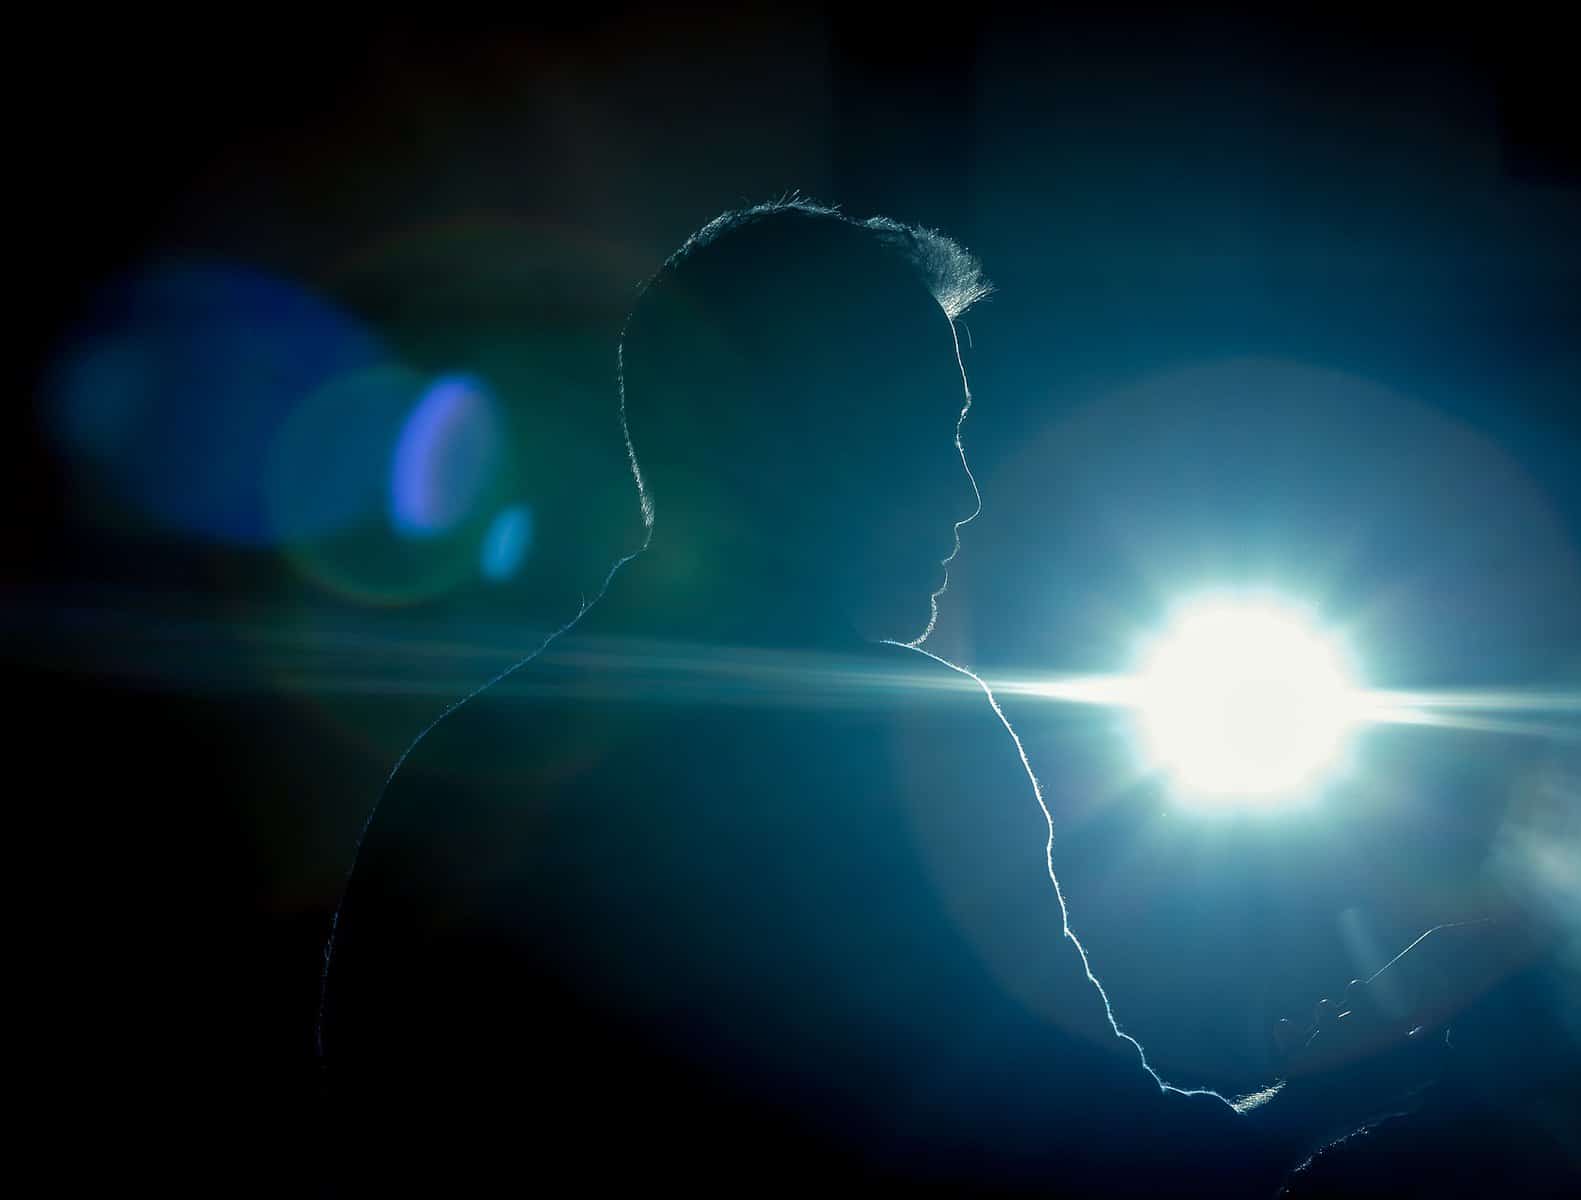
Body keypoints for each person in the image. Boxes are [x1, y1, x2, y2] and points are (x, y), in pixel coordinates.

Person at [320, 200, 1452, 1194]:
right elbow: (1062, 1151)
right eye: (923, 440)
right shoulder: (888, 743)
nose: (964, 497)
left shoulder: (467, 766)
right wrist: (1373, 1073)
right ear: (792, 444)